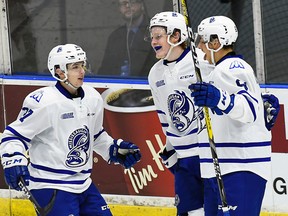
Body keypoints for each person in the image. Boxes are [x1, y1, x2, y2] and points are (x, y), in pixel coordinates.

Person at [0, 44, 141, 216]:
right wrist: (12, 159)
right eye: (75, 67)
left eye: (82, 65)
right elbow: (13, 136)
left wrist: (113, 149)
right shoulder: (43, 101)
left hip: (83, 183)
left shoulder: (93, 97)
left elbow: (95, 136)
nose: (82, 71)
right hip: (50, 185)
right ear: (59, 72)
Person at [189, 16, 272, 215]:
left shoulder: (233, 67)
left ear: (215, 42)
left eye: (202, 40)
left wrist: (220, 99)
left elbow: (250, 110)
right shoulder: (216, 71)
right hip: (219, 169)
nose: (199, 46)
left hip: (239, 168)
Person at [148, 11, 214, 216]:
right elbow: (165, 116)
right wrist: (170, 147)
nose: (153, 42)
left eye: (158, 36)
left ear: (176, 36)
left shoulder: (201, 62)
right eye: (152, 37)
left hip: (209, 153)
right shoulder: (155, 73)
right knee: (190, 212)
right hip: (185, 158)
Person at [98, 0, 156, 77]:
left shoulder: (155, 31)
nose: (128, 6)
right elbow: (105, 69)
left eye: (132, 2)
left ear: (142, 5)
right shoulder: (115, 36)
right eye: (123, 3)